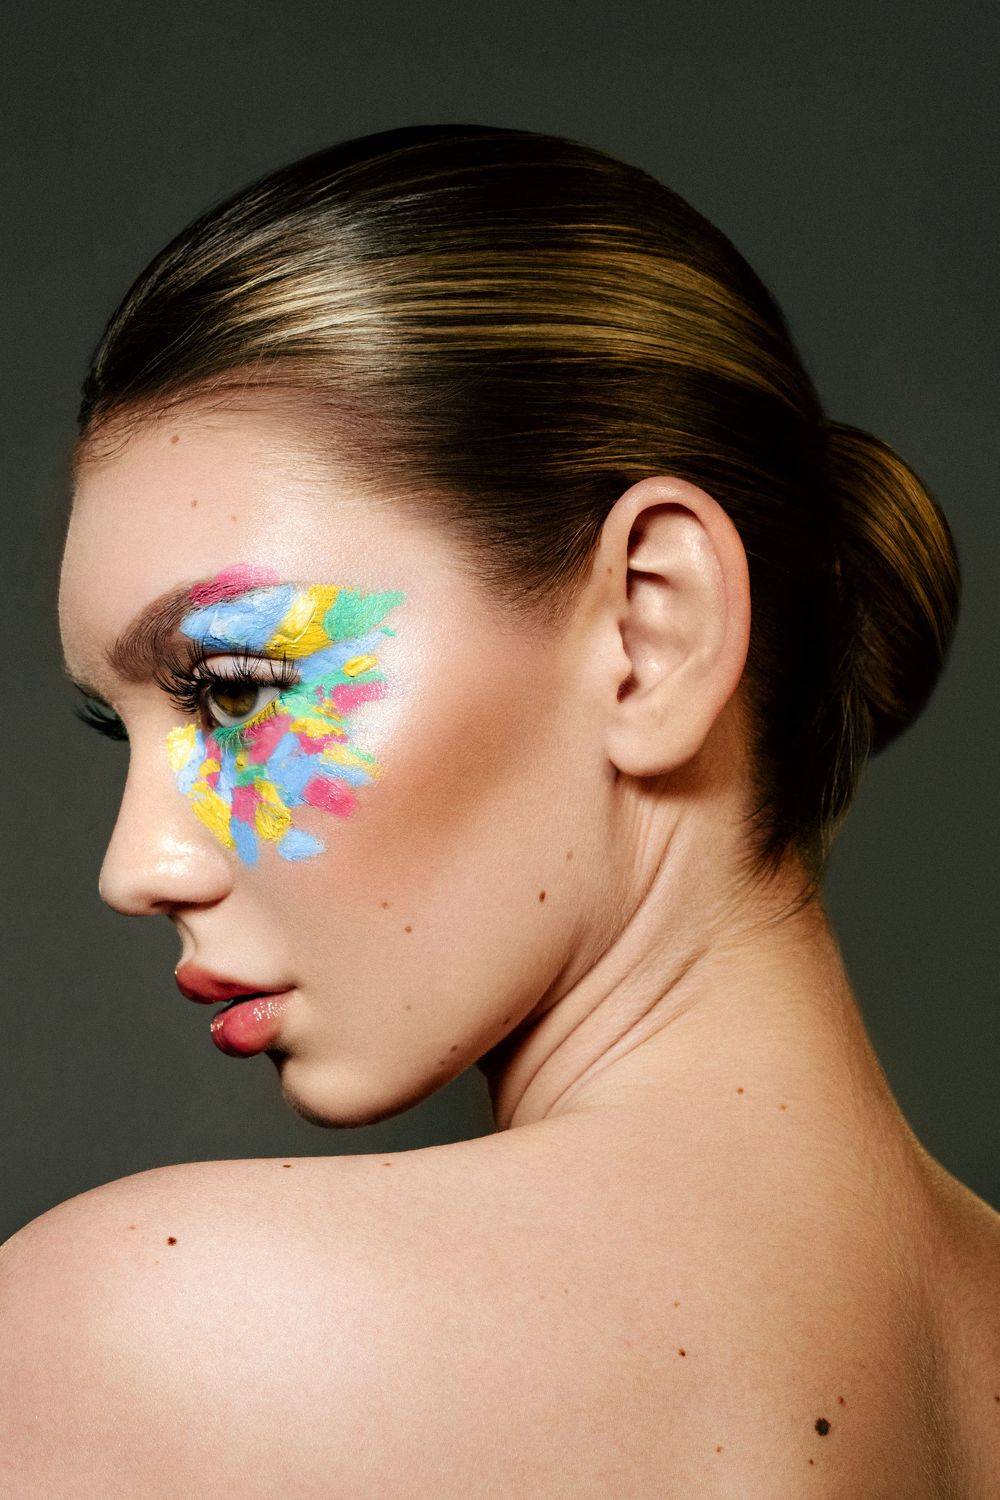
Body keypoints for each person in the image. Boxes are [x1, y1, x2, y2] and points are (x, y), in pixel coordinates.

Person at [1, 122, 996, 1496]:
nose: (137, 866)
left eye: (232, 688)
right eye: (127, 730)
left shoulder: (142, 1342)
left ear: (650, 632)